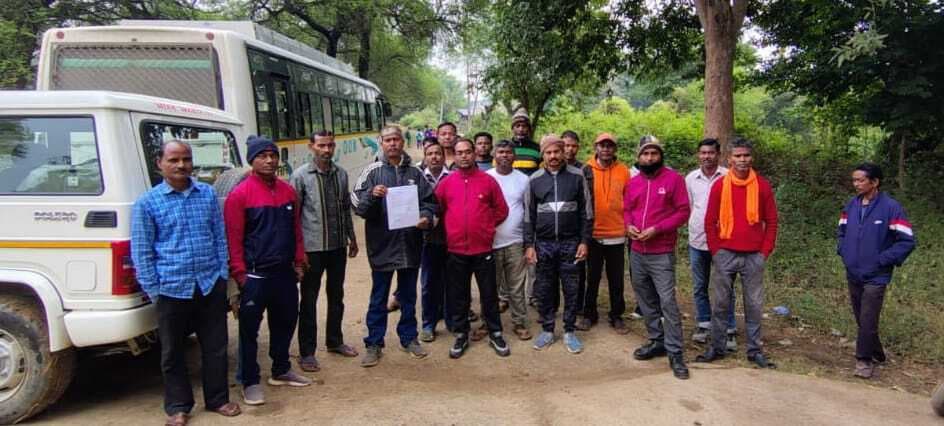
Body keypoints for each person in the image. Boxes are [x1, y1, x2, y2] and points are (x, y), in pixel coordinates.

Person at [131, 141, 240, 425]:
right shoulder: (147, 203)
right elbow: (142, 252)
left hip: (208, 284)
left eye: (186, 159)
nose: (181, 165)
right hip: (171, 288)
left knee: (215, 347)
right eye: (174, 159)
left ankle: (218, 399)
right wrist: (154, 289)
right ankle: (178, 406)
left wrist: (221, 275)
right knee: (172, 352)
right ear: (160, 164)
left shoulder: (206, 195)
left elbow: (219, 237)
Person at [225, 136, 312, 406]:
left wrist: (299, 261)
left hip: (284, 273)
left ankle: (281, 369)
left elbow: (296, 231)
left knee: (285, 322)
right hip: (254, 276)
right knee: (250, 330)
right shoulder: (239, 196)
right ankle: (249, 380)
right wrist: (240, 276)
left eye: (273, 155)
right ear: (251, 160)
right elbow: (233, 239)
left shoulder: (288, 192)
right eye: (262, 155)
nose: (269, 160)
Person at [352, 125, 437, 367]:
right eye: (387, 140)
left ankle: (409, 338)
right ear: (381, 142)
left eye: (396, 139)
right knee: (378, 297)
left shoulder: (415, 173)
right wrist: (372, 195)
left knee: (408, 296)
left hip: (410, 245)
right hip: (382, 246)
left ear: (402, 142)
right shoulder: (372, 172)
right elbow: (358, 205)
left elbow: (430, 202)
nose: (392, 144)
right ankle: (374, 343)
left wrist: (425, 218)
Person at [697, 137, 779, 369]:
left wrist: (764, 251)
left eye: (746, 156)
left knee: (754, 304)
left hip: (754, 255)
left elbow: (771, 221)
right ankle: (717, 347)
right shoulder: (720, 185)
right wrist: (716, 250)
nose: (742, 160)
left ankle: (754, 350)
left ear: (751, 158)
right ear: (730, 159)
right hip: (725, 254)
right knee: (721, 302)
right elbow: (710, 221)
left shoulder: (762, 185)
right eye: (738, 156)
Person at [290, 130, 360, 374]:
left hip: (337, 245)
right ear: (311, 147)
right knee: (308, 299)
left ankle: (335, 340)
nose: (327, 150)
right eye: (321, 145)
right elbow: (294, 217)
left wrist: (351, 238)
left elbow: (344, 209)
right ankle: (307, 352)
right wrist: (297, 252)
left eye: (330, 145)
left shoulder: (340, 174)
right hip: (312, 248)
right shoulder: (300, 176)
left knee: (336, 294)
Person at [837, 162, 915, 379]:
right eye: (854, 180)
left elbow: (906, 241)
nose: (856, 184)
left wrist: (882, 260)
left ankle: (863, 360)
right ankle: (877, 352)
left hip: (877, 275)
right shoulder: (851, 205)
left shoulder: (891, 208)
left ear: (875, 182)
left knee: (868, 318)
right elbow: (841, 230)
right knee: (862, 318)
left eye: (861, 180)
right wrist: (843, 251)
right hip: (853, 271)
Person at [623, 136, 691, 380]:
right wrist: (628, 225)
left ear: (660, 155)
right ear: (638, 157)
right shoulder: (634, 182)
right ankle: (656, 340)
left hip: (661, 251)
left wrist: (658, 228)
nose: (649, 158)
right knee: (646, 299)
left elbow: (683, 211)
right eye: (645, 154)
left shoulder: (674, 180)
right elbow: (628, 209)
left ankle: (675, 352)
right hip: (637, 252)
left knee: (667, 302)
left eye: (654, 153)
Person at [437, 139, 510, 358]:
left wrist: (486, 228)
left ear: (475, 153)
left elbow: (502, 210)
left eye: (468, 152)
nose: (464, 156)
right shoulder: (447, 183)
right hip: (456, 250)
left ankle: (495, 332)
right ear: (455, 156)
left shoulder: (488, 181)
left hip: (482, 249)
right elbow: (438, 209)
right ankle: (461, 334)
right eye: (459, 153)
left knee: (489, 294)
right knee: (459, 295)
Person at [525, 134, 593, 354]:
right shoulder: (534, 180)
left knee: (572, 288)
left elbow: (586, 212)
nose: (553, 156)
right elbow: (529, 216)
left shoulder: (577, 176)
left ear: (564, 152)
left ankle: (569, 331)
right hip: (544, 244)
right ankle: (547, 329)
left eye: (557, 151)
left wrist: (584, 241)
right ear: (543, 155)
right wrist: (529, 245)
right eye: (549, 152)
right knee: (545, 288)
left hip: (570, 243)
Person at [685, 138, 736, 349]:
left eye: (711, 153)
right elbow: (689, 207)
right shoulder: (690, 178)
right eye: (703, 153)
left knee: (725, 287)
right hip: (697, 240)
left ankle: (728, 328)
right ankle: (704, 324)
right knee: (699, 286)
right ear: (699, 155)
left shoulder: (728, 177)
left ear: (718, 154)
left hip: (723, 241)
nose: (707, 156)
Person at [578, 133, 630, 334]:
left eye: (610, 146)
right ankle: (589, 314)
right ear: (595, 147)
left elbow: (630, 200)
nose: (606, 149)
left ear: (615, 149)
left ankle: (616, 315)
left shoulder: (623, 171)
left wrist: (627, 226)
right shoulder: (586, 170)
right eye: (602, 145)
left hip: (617, 233)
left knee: (616, 278)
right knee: (592, 277)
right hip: (593, 234)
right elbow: (581, 202)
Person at [488, 140, 533, 340]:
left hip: (516, 242)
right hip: (490, 242)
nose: (504, 155)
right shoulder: (486, 178)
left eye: (508, 152)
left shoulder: (524, 180)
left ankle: (520, 322)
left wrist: (529, 242)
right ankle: (487, 323)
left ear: (514, 156)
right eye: (501, 152)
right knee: (489, 287)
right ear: (494, 155)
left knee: (516, 287)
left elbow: (529, 212)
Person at [418, 141, 453, 342]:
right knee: (428, 283)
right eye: (430, 153)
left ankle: (452, 322)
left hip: (451, 239)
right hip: (427, 240)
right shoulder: (418, 178)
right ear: (425, 157)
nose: (434, 157)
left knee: (451, 283)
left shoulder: (454, 177)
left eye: (438, 153)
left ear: (443, 155)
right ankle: (428, 324)